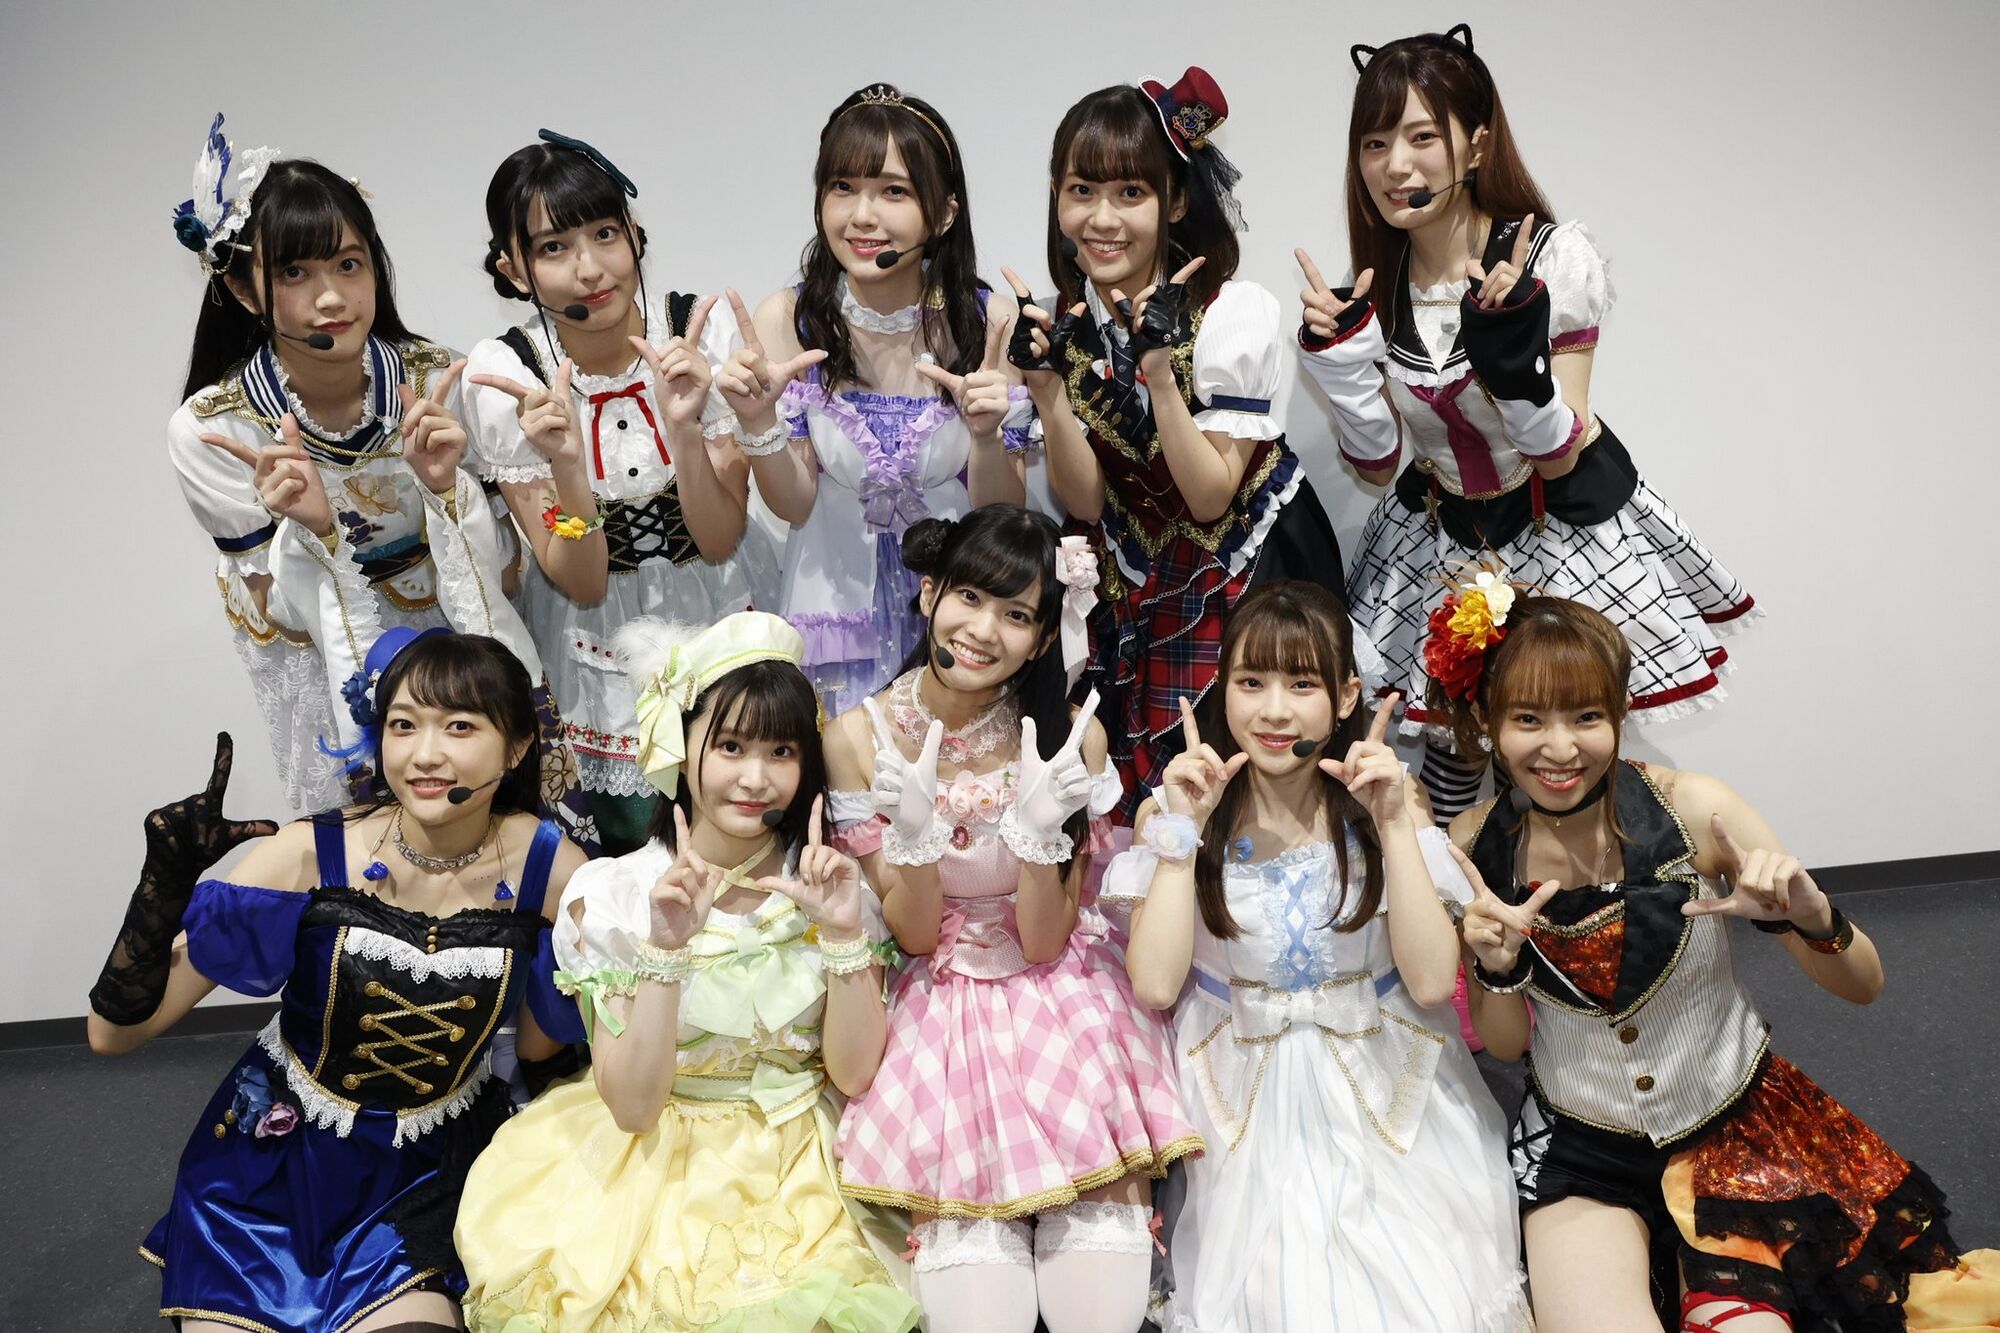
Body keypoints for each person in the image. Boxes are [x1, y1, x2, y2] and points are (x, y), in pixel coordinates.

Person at [1435, 586, 1999, 1332]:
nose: (1561, 748)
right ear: (1487, 720)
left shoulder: (1698, 810)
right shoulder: (1472, 847)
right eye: (1529, 719)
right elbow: (1505, 1045)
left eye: (1587, 716)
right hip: (1579, 1147)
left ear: (1620, 713)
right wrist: (1498, 966)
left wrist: (1811, 917)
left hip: (1732, 1132)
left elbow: (1865, 985)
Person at [1295, 24, 1756, 820]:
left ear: (1476, 145)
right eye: (1374, 142)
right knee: (1450, 747)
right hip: (1441, 533)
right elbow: (1376, 465)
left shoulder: (1548, 258)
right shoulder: (1375, 281)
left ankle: (1587, 897)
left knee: (1553, 743)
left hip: (1554, 525)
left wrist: (1514, 364)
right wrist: (1341, 368)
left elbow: (1559, 452)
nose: (1395, 165)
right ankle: (1455, 893)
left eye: (1421, 137)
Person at [88, 631, 587, 1332]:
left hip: (429, 1181)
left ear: (517, 747)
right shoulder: (308, 851)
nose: (424, 754)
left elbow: (536, 1047)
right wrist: (157, 895)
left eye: (460, 726)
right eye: (403, 724)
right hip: (270, 1173)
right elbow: (111, 1036)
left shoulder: (551, 867)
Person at [457, 611, 919, 1331]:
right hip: (653, 1174)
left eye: (781, 751)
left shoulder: (833, 886)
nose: (755, 779)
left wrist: (841, 932)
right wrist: (666, 952)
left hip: (810, 1168)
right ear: (679, 742)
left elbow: (855, 1076)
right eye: (730, 746)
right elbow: (634, 1108)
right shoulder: (615, 895)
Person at [1110, 581, 1529, 1331]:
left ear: (1345, 698)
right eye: (1251, 682)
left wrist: (1393, 825)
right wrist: (1183, 832)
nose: (1274, 711)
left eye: (1302, 684)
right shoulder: (1172, 810)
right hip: (1239, 1093)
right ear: (1223, 689)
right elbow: (1155, 984)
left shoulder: (1391, 801)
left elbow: (1433, 981)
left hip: (1387, 1078)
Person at [827, 505, 1197, 1333]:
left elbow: (1044, 939)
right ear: (929, 594)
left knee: (1100, 1308)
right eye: (970, 597)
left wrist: (1036, 833)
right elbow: (915, 935)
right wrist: (915, 841)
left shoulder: (1072, 736)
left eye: (1017, 613)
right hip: (940, 1018)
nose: (984, 630)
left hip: (1065, 1005)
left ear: (1040, 637)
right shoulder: (856, 736)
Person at [168, 116, 547, 815]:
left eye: (349, 264)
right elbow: (282, 612)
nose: (332, 296)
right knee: (369, 852)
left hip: (464, 641)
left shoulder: (439, 382)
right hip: (327, 661)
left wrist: (448, 491)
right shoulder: (214, 430)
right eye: (294, 272)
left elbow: (505, 570)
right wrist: (315, 533)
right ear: (246, 292)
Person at [1012, 68, 1349, 815]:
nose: (1102, 218)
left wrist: (1160, 376)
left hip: (1248, 569)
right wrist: (1048, 393)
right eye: (1081, 190)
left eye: (1130, 192)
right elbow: (1086, 499)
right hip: (1139, 572)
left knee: (1252, 791)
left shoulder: (1231, 311)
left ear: (1176, 201)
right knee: (1146, 803)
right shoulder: (1069, 320)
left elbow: (1209, 495)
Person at [462, 129, 778, 852]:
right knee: (630, 860)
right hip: (593, 642)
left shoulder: (697, 332)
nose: (590, 269)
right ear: (513, 269)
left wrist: (685, 428)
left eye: (605, 234)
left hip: (722, 604)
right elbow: (580, 576)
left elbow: (719, 537)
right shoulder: (508, 377)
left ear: (635, 233)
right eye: (553, 247)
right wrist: (568, 469)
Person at [724, 83, 1031, 718]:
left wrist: (984, 436)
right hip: (834, 618)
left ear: (943, 215)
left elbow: (1001, 515)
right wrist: (757, 423)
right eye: (843, 187)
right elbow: (794, 503)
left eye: (893, 191)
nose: (861, 216)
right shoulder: (789, 320)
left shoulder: (988, 322)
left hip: (960, 623)